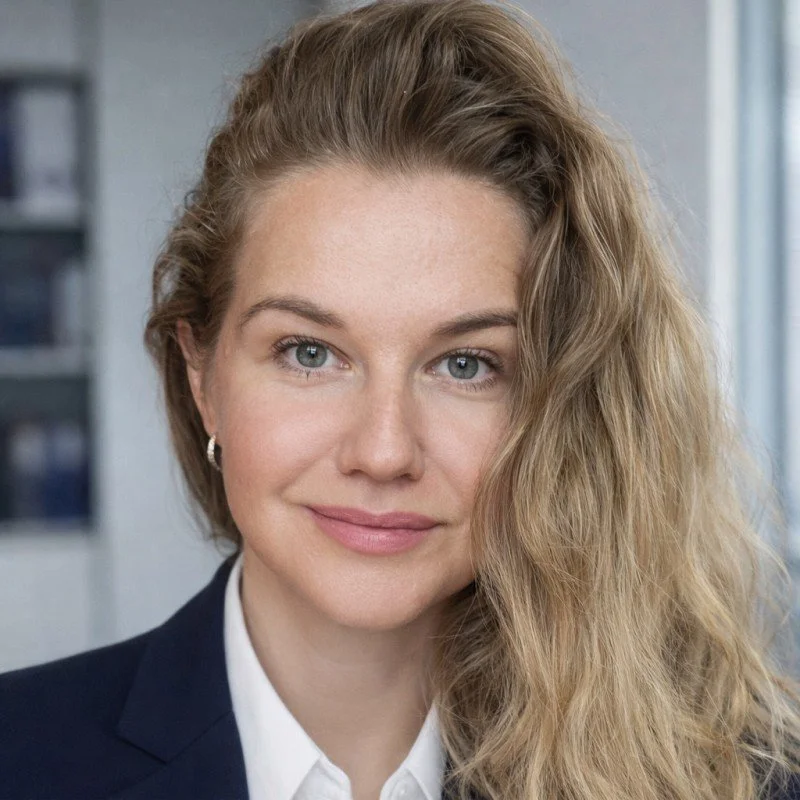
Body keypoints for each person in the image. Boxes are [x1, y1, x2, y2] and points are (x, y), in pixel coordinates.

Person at [2, 0, 800, 798]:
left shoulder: (738, 777)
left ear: (559, 405)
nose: (383, 451)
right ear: (202, 378)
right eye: (310, 353)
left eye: (465, 365)